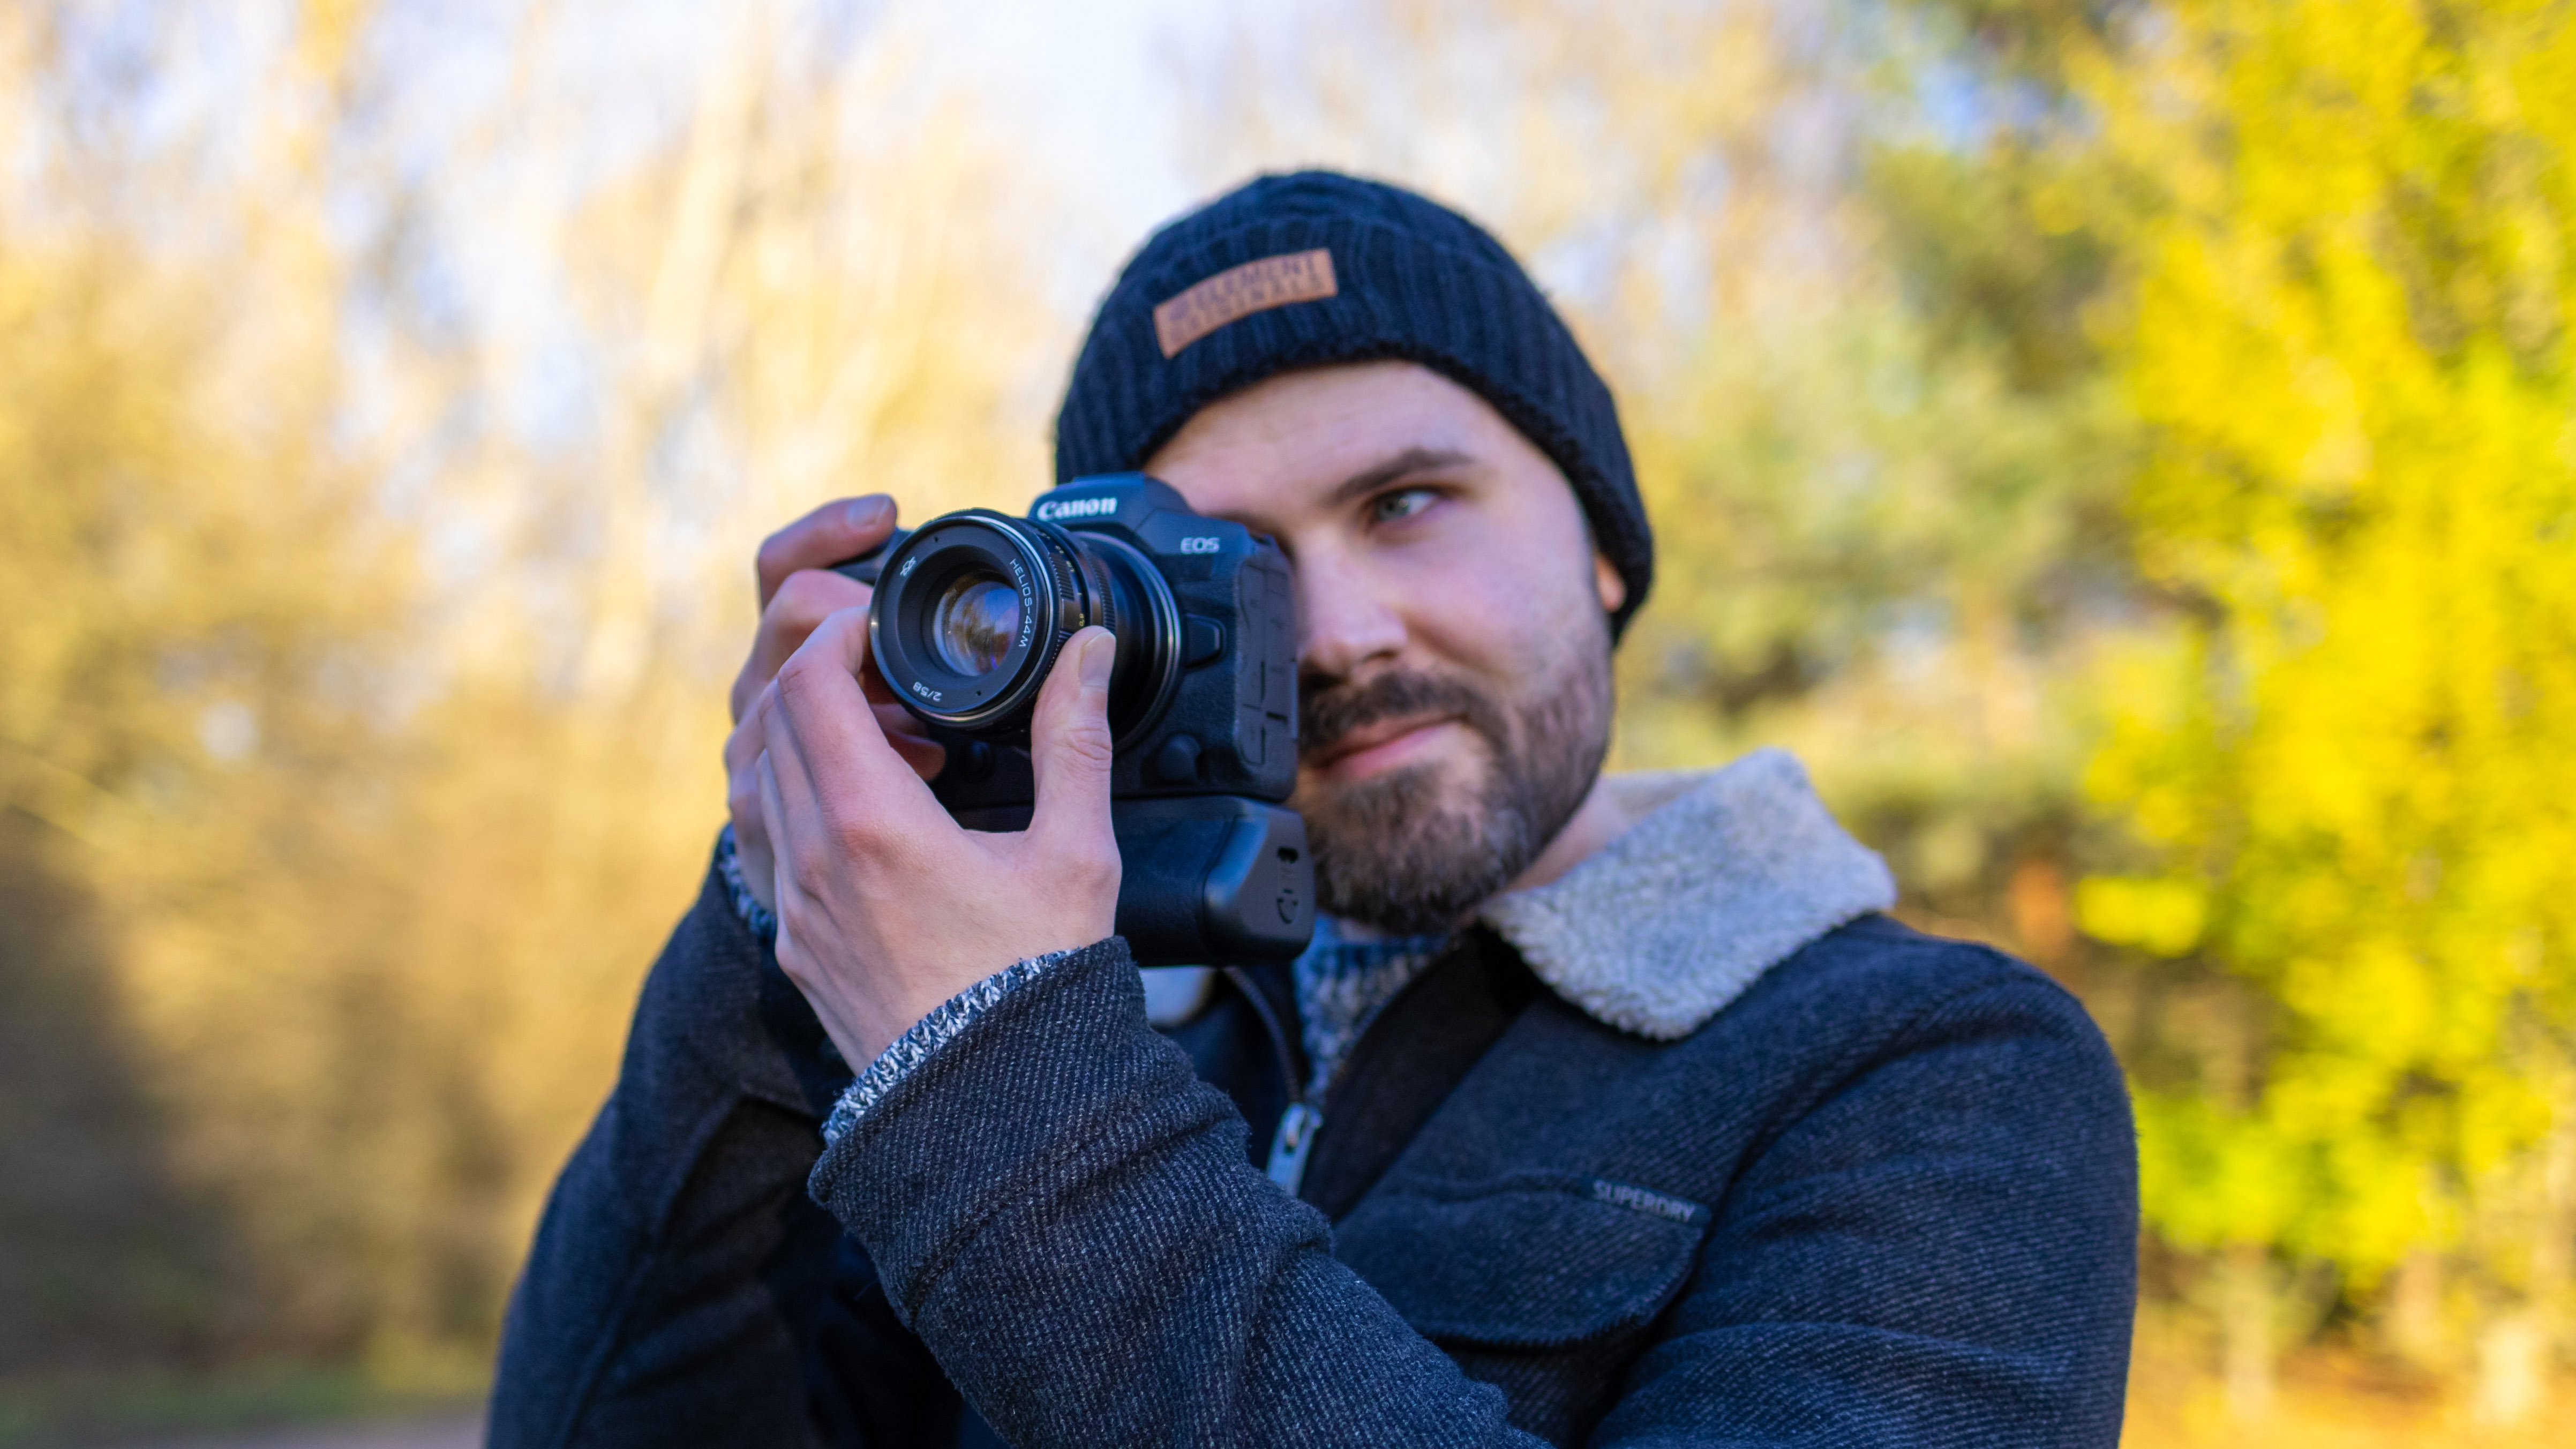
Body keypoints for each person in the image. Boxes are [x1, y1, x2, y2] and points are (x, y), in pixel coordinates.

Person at [487, 171, 2137, 1448]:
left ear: (1606, 544)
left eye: (1407, 503)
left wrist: (998, 1082)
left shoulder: (1931, 1071)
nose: (1337, 633)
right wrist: (771, 936)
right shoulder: (1071, 1046)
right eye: (1236, 569)